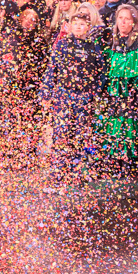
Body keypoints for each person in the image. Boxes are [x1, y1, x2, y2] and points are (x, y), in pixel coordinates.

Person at [40, 9, 106, 178]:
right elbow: (52, 69)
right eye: (75, 24)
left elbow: (101, 72)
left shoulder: (93, 47)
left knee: (80, 134)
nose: (78, 27)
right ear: (69, 26)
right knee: (61, 133)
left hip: (84, 97)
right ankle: (59, 169)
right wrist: (46, 92)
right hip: (64, 95)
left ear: (88, 27)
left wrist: (96, 92)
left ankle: (76, 171)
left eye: (82, 24)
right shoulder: (62, 44)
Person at [101, 4, 138, 168]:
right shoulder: (111, 42)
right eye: (120, 18)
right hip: (115, 97)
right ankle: (117, 162)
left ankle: (136, 164)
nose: (123, 22)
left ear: (134, 22)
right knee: (116, 127)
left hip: (135, 97)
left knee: (134, 129)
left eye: (127, 19)